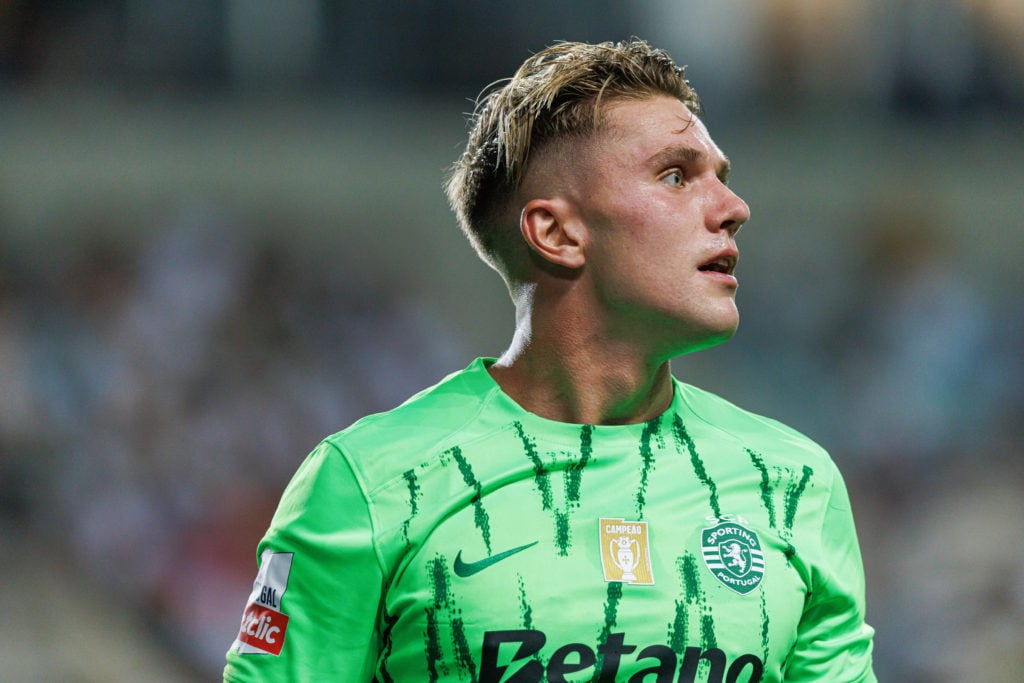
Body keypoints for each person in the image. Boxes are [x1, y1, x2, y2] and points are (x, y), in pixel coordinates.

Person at [223, 39, 875, 682]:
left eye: (722, 180)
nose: (734, 210)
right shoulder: (370, 484)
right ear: (558, 233)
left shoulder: (793, 485)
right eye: (676, 175)